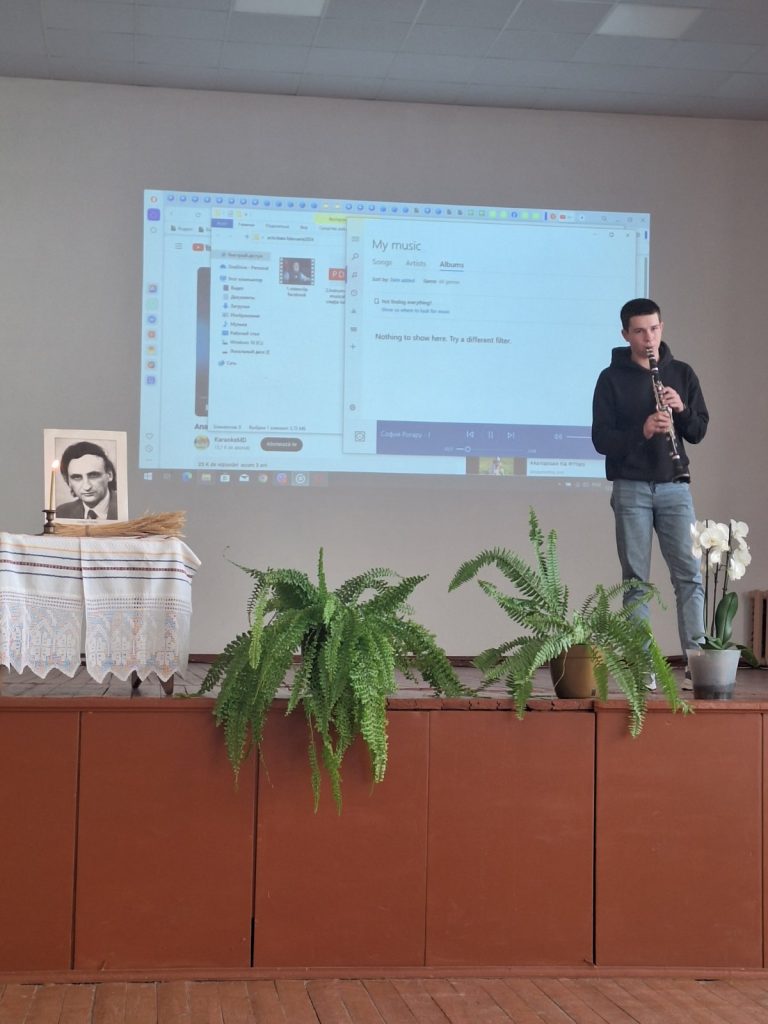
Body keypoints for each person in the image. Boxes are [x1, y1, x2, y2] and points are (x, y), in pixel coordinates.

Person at [591, 298, 709, 666]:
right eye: (640, 331)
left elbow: (698, 431)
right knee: (636, 582)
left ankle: (697, 666)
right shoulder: (610, 379)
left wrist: (681, 410)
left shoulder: (682, 373)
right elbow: (601, 440)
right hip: (631, 488)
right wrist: (642, 431)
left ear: (662, 328)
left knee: (689, 578)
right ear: (625, 334)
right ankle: (642, 668)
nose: (649, 338)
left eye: (654, 329)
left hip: (675, 486)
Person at [55, 441, 118, 520]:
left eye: (93, 475)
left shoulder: (123, 507)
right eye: (77, 477)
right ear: (68, 481)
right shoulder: (61, 512)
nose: (87, 487)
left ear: (109, 475)